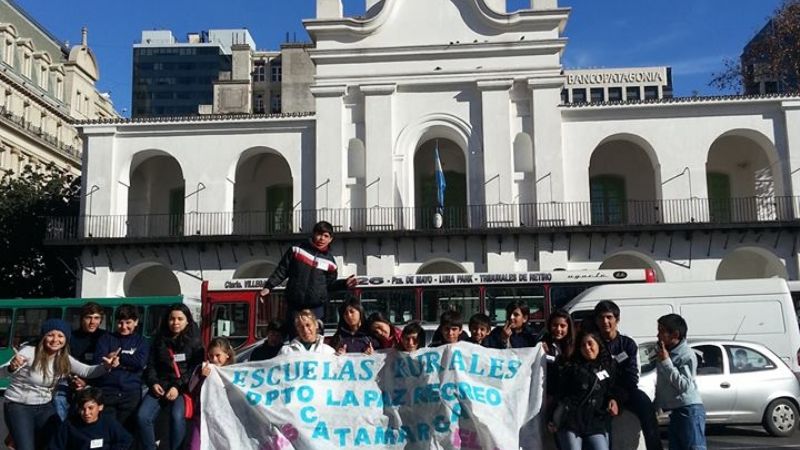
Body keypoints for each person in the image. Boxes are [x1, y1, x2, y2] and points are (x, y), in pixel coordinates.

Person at [2, 319, 118, 450]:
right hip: (19, 406)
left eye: (60, 336)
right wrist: (12, 366)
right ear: (43, 337)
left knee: (57, 440)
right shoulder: (29, 352)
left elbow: (87, 371)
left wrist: (106, 366)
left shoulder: (64, 359)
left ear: (66, 339)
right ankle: (16, 436)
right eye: (50, 335)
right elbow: (3, 372)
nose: (55, 340)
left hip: (44, 406)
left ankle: (14, 437)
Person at [258, 221, 357, 334]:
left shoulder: (331, 262)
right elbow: (282, 270)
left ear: (331, 239)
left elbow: (329, 286)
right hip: (294, 306)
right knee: (295, 339)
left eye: (326, 236)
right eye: (319, 234)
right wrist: (268, 287)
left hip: (317, 308)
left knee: (316, 340)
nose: (322, 239)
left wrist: (344, 283)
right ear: (313, 234)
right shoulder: (296, 250)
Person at [593, 300, 663, 450]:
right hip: (600, 391)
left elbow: (631, 376)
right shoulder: (592, 343)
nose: (605, 321)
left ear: (617, 320)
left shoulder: (628, 344)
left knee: (645, 405)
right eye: (601, 318)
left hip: (625, 391)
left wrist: (616, 398)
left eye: (609, 317)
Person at [137, 304, 204, 450]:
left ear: (187, 321)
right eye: (172, 319)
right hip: (159, 385)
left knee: (177, 417)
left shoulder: (195, 342)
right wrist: (153, 383)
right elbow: (151, 365)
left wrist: (177, 386)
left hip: (181, 387)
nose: (176, 322)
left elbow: (194, 369)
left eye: (180, 318)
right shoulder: (159, 339)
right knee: (143, 417)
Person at [549, 330, 619, 450]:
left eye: (590, 343)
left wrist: (614, 400)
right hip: (571, 422)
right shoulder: (571, 367)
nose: (587, 348)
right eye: (583, 345)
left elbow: (612, 389)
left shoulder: (608, 367)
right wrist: (551, 418)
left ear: (598, 344)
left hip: (595, 422)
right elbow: (559, 394)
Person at [93, 304, 149, 431]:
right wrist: (109, 358)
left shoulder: (141, 341)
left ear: (136, 322)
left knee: (127, 432)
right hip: (108, 392)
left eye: (128, 322)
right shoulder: (106, 339)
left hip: (131, 393)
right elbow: (98, 360)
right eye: (120, 322)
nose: (124, 327)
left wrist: (121, 359)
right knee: (107, 430)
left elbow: (140, 362)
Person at [655, 314, 706, 450]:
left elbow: (684, 385)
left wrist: (666, 362)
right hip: (676, 411)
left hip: (689, 410)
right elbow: (662, 383)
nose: (657, 335)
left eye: (661, 331)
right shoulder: (665, 352)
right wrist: (656, 407)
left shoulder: (686, 354)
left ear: (675, 334)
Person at [54, 302, 109, 421]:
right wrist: (74, 380)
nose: (92, 322)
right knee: (59, 397)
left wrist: (87, 382)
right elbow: (64, 363)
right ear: (81, 318)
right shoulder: (70, 338)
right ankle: (63, 429)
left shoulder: (107, 337)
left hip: (100, 381)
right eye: (88, 317)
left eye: (96, 318)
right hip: (73, 379)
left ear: (101, 320)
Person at [186, 337, 235, 450]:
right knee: (195, 446)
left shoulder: (233, 371)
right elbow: (191, 390)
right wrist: (201, 377)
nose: (214, 359)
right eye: (211, 355)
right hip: (202, 416)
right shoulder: (202, 369)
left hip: (225, 418)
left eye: (218, 355)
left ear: (227, 354)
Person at [48, 387, 132, 450]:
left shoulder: (108, 422)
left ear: (100, 407)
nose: (86, 413)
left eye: (91, 408)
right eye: (83, 409)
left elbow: (126, 441)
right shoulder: (69, 425)